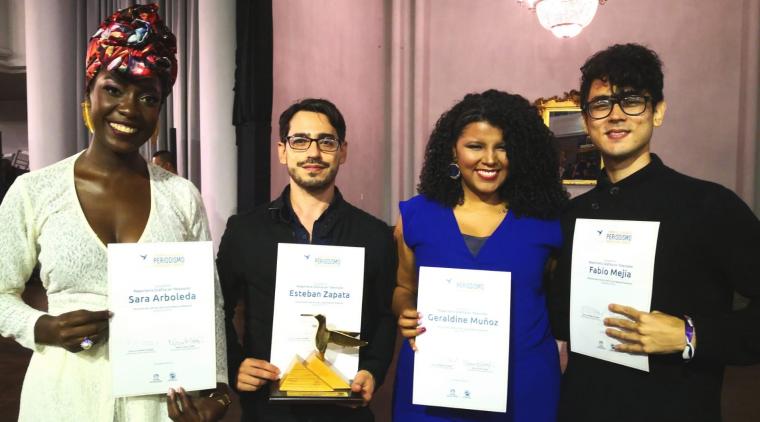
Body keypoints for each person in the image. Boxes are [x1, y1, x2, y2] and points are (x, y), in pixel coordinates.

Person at [0, 4, 230, 421]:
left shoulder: (182, 197)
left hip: (158, 405)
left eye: (148, 97)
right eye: (114, 88)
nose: (129, 107)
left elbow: (207, 304)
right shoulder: (34, 191)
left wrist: (216, 391)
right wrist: (42, 327)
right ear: (89, 91)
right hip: (62, 398)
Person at [550, 43, 760, 422]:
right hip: (581, 408)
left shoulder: (709, 205)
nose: (615, 115)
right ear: (586, 119)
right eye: (601, 104)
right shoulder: (571, 215)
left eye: (631, 100)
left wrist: (689, 336)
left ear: (658, 111)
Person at [216, 98, 397, 422]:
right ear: (282, 150)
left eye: (326, 142)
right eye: (300, 141)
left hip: (346, 410)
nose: (313, 153)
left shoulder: (376, 235)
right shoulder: (245, 230)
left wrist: (373, 370)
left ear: (343, 151)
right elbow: (217, 308)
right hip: (267, 411)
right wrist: (233, 364)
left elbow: (385, 315)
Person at [392, 89, 568, 421]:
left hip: (523, 387)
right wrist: (406, 311)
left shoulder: (548, 223)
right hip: (434, 384)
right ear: (453, 152)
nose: (490, 159)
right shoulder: (415, 216)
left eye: (503, 147)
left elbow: (560, 300)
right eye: (475, 146)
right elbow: (402, 288)